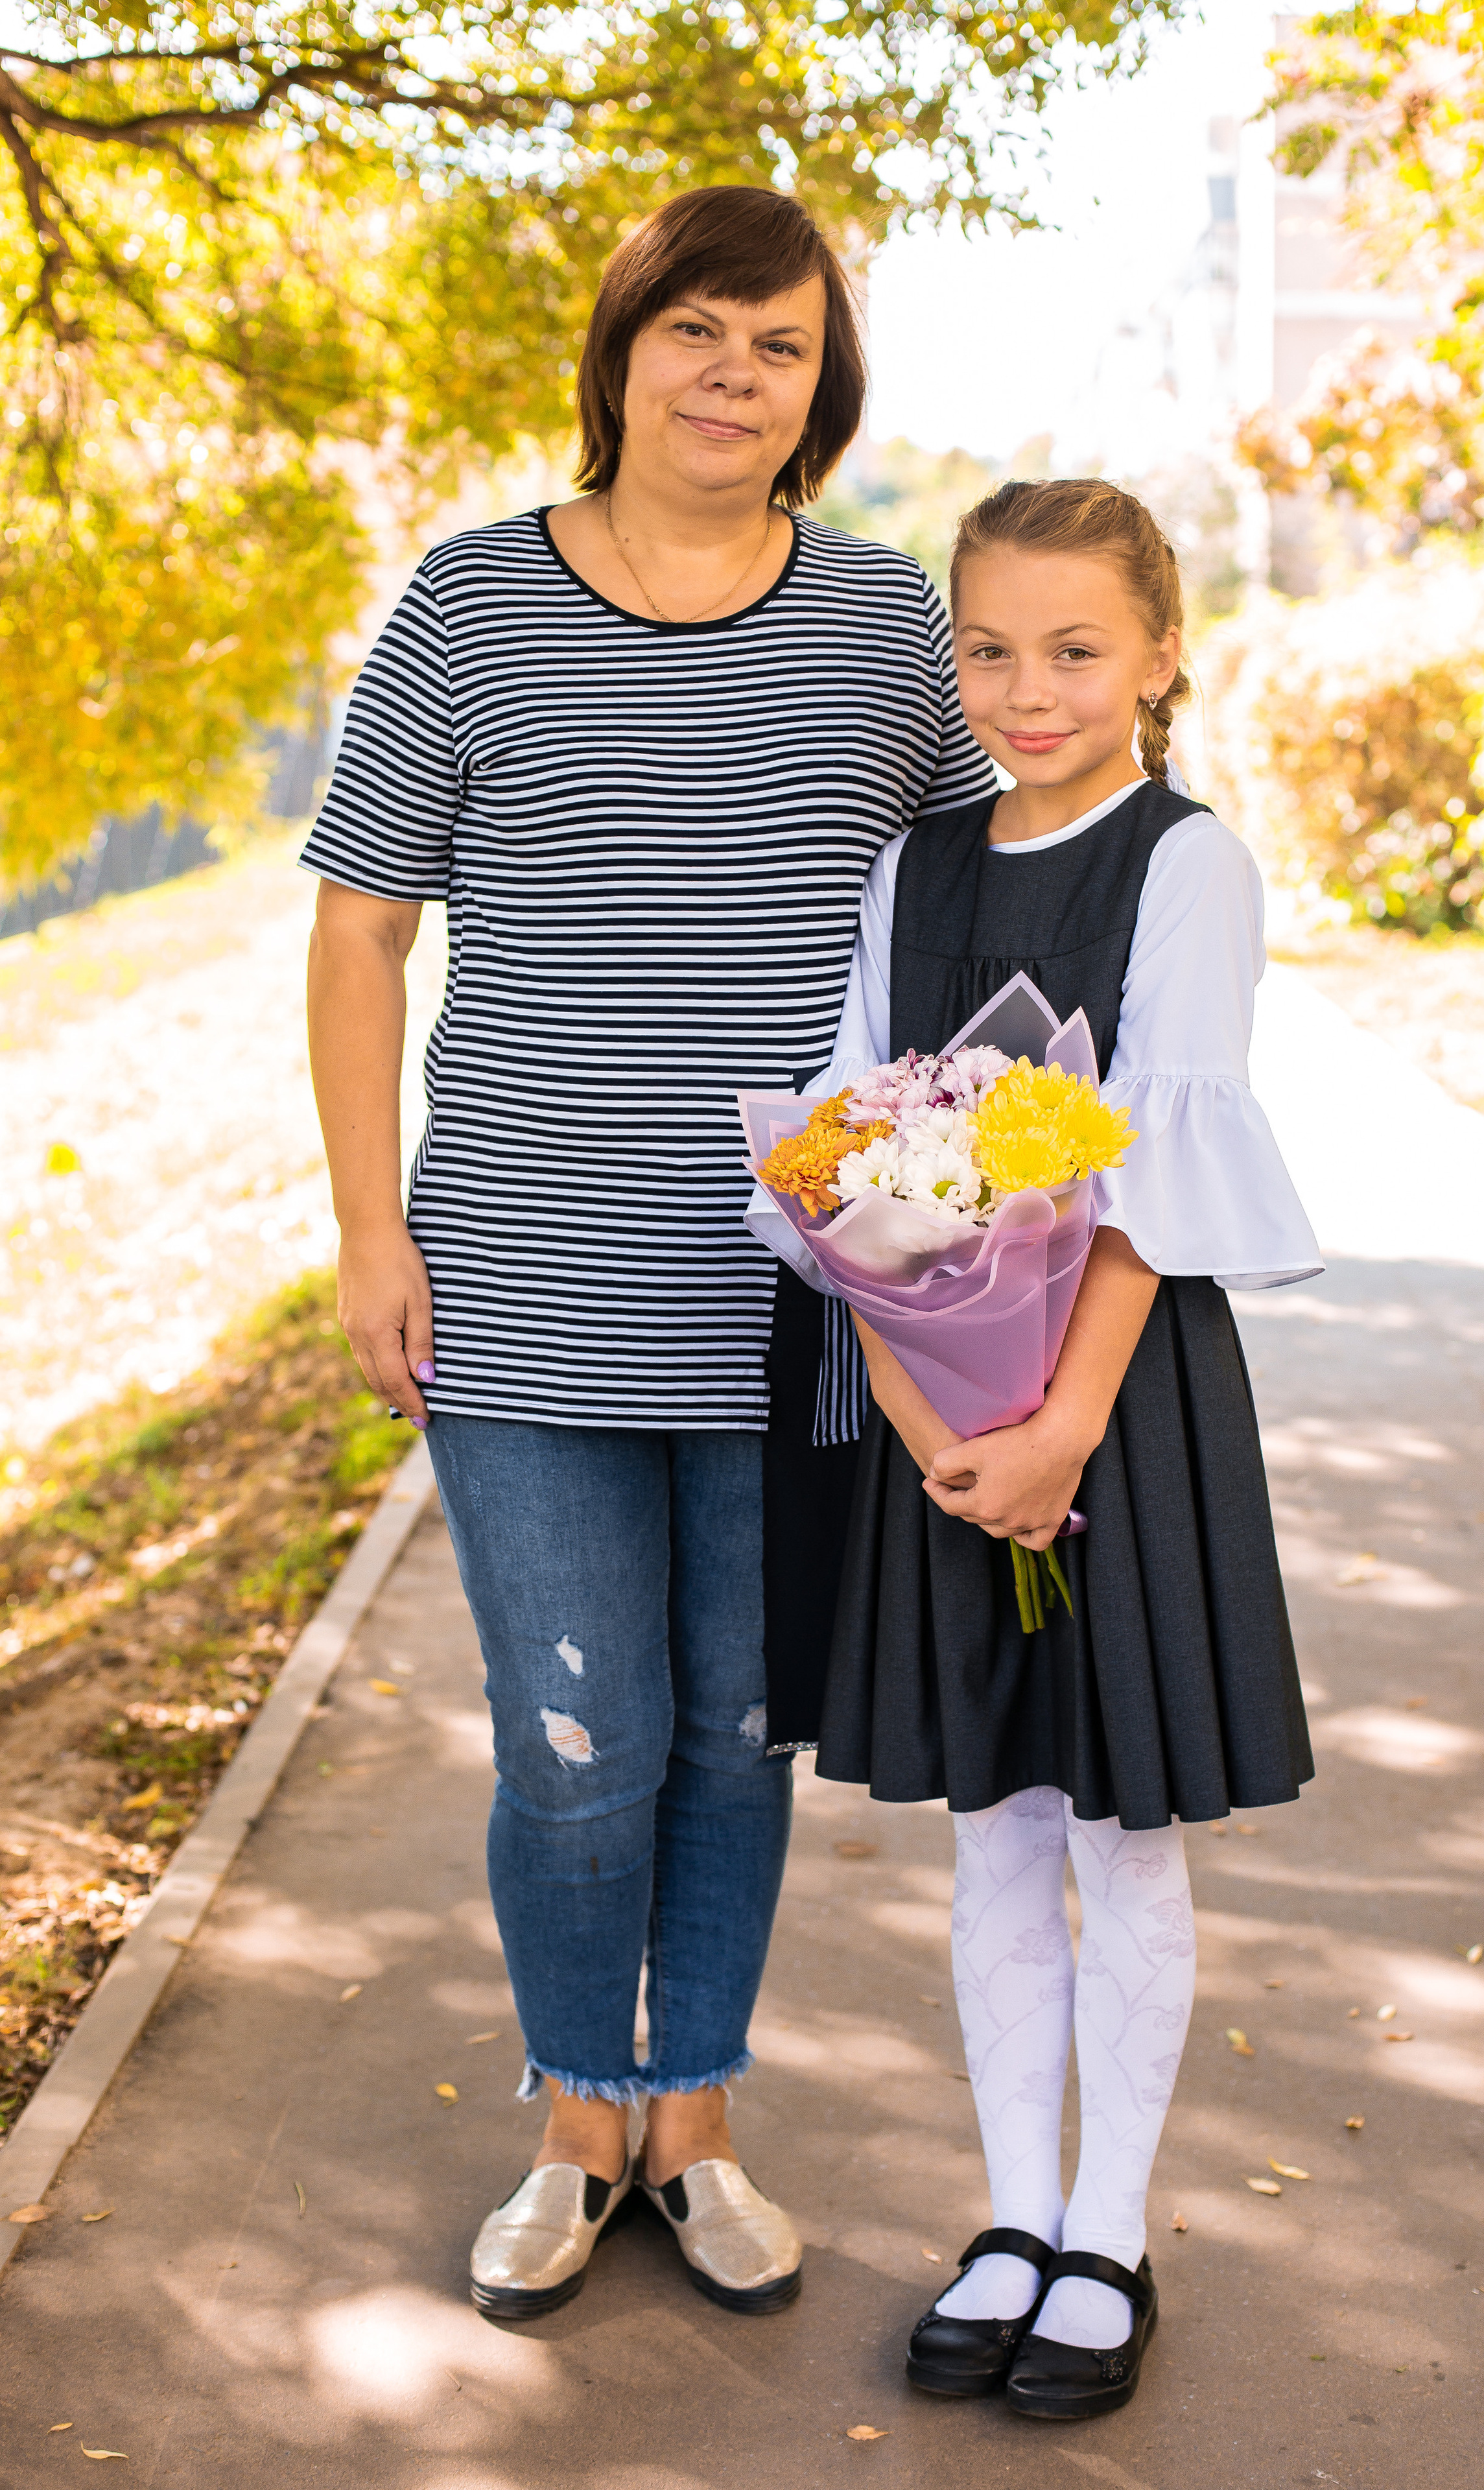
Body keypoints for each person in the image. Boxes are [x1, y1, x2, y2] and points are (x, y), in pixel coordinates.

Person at [302, 185, 995, 2321]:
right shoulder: (469, 606)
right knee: (573, 1744)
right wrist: (363, 1221)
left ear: (821, 393)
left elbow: (998, 912)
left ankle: (689, 2120)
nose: (732, 375)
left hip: (808, 1312)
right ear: (621, 351)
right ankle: (570, 2120)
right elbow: (357, 930)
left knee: (733, 1729)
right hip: (515, 1274)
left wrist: (981, 1236)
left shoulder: (886, 624)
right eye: (698, 330)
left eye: (778, 348)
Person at [808, 479, 1323, 2419]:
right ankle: (1012, 2212)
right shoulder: (910, 865)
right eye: (991, 650)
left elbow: (1155, 1172)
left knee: (1122, 1826)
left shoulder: (1188, 864)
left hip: (1122, 1405)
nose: (1029, 690)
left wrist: (1062, 1428)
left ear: (1162, 655)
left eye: (1077, 649)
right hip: (950, 1418)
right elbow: (848, 1164)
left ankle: (1110, 2229)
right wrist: (939, 1410)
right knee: (997, 1834)